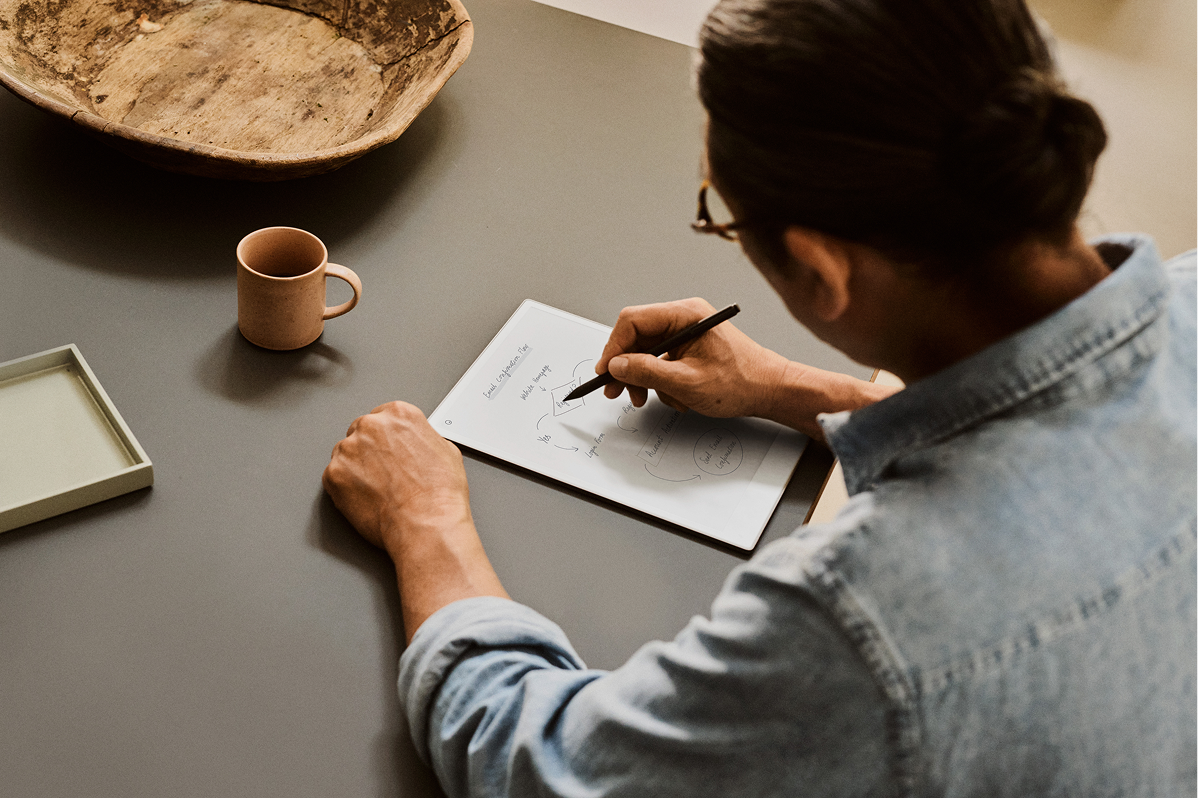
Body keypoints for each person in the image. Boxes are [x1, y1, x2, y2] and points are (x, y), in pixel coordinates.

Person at [322, 0, 1198, 794]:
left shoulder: (864, 624)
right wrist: (800, 392)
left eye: (722, 217)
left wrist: (426, 522)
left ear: (820, 271)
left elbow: (549, 767)